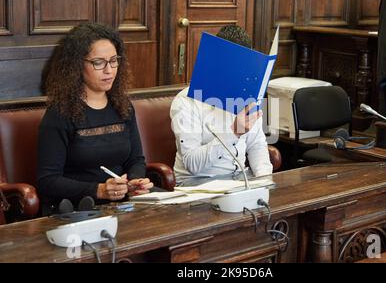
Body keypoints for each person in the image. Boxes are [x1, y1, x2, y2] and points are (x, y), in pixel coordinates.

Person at [38, 23, 153, 214]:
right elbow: (47, 180)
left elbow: (136, 159)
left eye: (114, 60)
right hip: (75, 207)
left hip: (121, 203)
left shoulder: (122, 106)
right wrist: (99, 190)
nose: (109, 70)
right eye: (98, 63)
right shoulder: (59, 113)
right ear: (77, 65)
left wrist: (134, 181)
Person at [170, 25, 273, 187]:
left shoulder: (248, 95)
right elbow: (192, 165)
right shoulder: (186, 100)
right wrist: (233, 133)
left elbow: (257, 145)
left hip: (240, 179)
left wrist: (265, 182)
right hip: (197, 184)